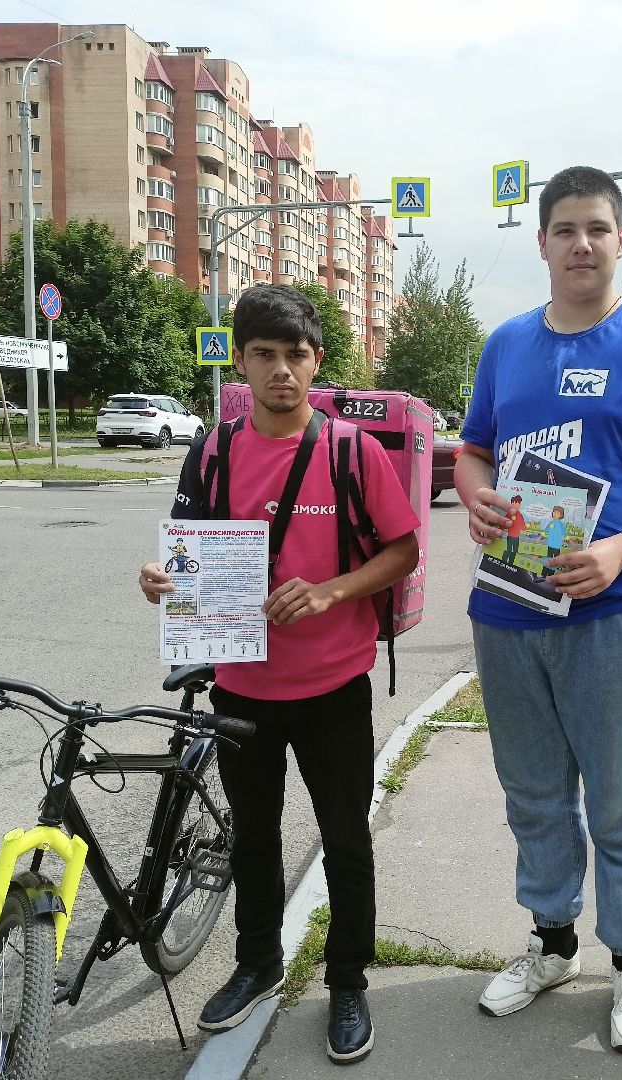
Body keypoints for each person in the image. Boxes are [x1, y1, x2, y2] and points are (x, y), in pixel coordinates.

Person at [456, 165, 622, 1056]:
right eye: (565, 229)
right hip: (511, 606)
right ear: (541, 242)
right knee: (533, 793)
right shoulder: (506, 345)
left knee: (620, 798)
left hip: (617, 607)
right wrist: (476, 494)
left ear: (620, 240)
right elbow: (474, 451)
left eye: (597, 228)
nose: (581, 243)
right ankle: (551, 942)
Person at [139, 284, 419, 1064]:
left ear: (317, 361)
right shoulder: (214, 451)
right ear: (241, 361)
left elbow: (403, 550)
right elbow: (186, 549)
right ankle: (257, 964)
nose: (282, 371)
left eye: (295, 355)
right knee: (253, 840)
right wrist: (161, 578)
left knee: (345, 843)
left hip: (333, 689)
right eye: (264, 355)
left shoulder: (350, 452)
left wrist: (332, 591)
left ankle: (348, 983)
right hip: (242, 689)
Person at [541, 505, 566, 576]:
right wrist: (542, 536)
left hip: (557, 545)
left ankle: (551, 574)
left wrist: (566, 538)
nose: (555, 514)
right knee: (547, 559)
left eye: (557, 513)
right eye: (554, 512)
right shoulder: (551, 522)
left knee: (556, 560)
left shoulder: (560, 524)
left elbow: (564, 533)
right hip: (550, 544)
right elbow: (546, 530)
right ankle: (544, 573)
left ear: (561, 515)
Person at [501, 495, 525, 567]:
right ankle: (503, 563)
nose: (519, 505)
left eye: (519, 503)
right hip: (510, 536)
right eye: (517, 503)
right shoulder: (509, 514)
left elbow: (523, 526)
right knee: (508, 550)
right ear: (513, 503)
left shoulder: (520, 515)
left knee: (514, 551)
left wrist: (529, 525)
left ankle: (511, 564)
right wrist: (501, 529)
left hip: (517, 537)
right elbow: (503, 523)